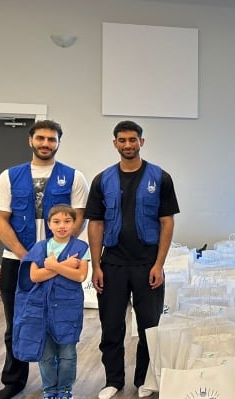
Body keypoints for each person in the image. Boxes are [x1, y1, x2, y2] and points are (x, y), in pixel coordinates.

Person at [0, 119, 89, 399]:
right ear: (30, 140)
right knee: (18, 320)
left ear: (58, 143)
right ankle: (14, 381)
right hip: (16, 261)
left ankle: (59, 384)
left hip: (61, 263)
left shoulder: (74, 177)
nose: (46, 144)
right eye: (41, 138)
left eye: (52, 139)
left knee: (59, 320)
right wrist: (29, 256)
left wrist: (60, 254)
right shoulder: (9, 176)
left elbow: (78, 218)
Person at [86, 120, 180, 399]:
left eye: (133, 140)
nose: (128, 145)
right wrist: (96, 265)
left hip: (147, 264)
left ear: (142, 142)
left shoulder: (160, 177)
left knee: (149, 326)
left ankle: (143, 381)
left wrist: (159, 264)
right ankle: (113, 380)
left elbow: (167, 222)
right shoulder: (102, 179)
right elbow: (95, 224)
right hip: (112, 264)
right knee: (111, 325)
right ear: (114, 143)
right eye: (122, 140)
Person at [13, 205, 90, 399]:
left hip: (68, 308)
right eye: (56, 222)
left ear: (74, 224)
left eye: (67, 221)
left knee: (67, 354)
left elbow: (80, 275)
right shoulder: (40, 247)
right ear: (49, 224)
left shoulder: (81, 248)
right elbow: (35, 276)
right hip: (41, 309)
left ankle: (64, 389)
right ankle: (49, 389)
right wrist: (64, 266)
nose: (62, 226)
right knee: (46, 355)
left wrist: (54, 265)